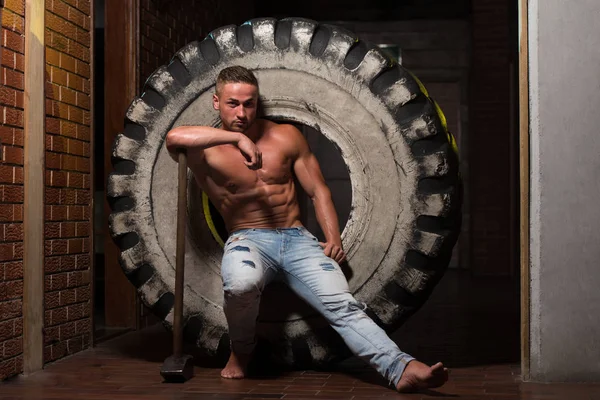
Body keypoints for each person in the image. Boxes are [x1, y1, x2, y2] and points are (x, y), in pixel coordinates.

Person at [165, 66, 448, 392]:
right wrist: (237, 138)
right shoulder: (206, 147)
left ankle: (402, 369)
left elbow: (318, 191)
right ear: (217, 102)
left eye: (249, 103)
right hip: (248, 239)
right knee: (240, 285)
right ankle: (241, 352)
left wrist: (333, 237)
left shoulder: (286, 136)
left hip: (296, 238)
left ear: (258, 102)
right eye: (232, 103)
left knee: (341, 304)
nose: (241, 112)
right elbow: (174, 138)